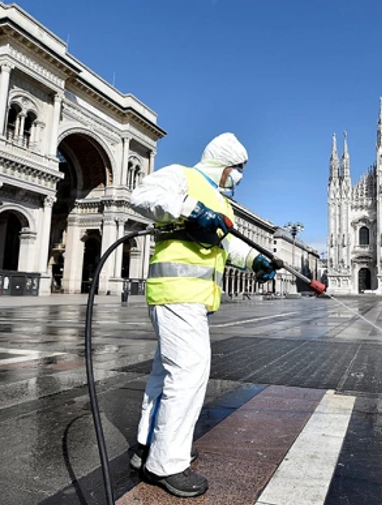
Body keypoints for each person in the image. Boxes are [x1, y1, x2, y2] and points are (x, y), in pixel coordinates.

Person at [128, 132, 276, 498]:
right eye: (238, 168)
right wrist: (190, 209)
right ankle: (167, 463)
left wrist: (255, 260)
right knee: (188, 374)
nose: (239, 176)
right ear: (222, 164)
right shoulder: (183, 176)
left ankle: (148, 444)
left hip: (192, 298)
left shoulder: (220, 201)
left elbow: (228, 244)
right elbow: (142, 196)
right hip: (176, 293)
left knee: (165, 374)